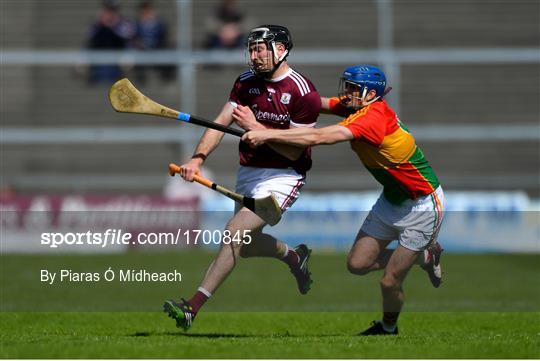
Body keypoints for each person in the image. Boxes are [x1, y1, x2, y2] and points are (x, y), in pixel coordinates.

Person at [240, 65, 445, 336]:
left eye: (352, 88)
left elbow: (319, 137)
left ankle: (388, 328)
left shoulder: (372, 118)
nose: (346, 93)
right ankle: (425, 256)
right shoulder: (356, 106)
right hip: (391, 201)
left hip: (422, 205)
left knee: (389, 282)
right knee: (357, 264)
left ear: (371, 93)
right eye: (346, 86)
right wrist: (273, 97)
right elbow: (315, 103)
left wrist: (263, 131)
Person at [163, 25, 322, 331]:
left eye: (261, 48)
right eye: (251, 49)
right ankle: (294, 257)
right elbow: (220, 122)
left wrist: (256, 129)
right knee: (245, 246)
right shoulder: (245, 83)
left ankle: (191, 308)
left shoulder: (303, 93)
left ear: (281, 50)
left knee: (234, 233)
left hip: (284, 175)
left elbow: (295, 151)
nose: (254, 55)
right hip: (249, 171)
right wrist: (197, 159)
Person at [86, 0, 134, 84]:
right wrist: (101, 24)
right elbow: (90, 35)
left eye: (112, 10)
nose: (110, 12)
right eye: (107, 9)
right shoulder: (98, 24)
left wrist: (113, 25)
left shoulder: (124, 22)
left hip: (118, 54)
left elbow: (127, 35)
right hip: (100, 55)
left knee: (127, 58)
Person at [132, 1, 175, 83]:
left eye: (148, 11)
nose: (146, 14)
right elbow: (134, 38)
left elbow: (164, 38)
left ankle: (166, 79)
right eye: (144, 12)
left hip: (157, 49)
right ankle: (141, 81)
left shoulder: (160, 24)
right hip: (142, 51)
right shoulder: (136, 25)